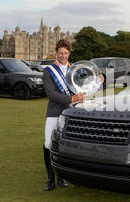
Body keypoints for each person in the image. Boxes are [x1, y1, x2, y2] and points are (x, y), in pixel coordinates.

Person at [42, 39, 104, 191]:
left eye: (65, 53)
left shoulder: (75, 69)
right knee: (49, 144)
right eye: (60, 53)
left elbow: (86, 89)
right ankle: (50, 179)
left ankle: (62, 177)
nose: (63, 55)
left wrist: (99, 81)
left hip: (71, 112)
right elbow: (51, 94)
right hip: (55, 111)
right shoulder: (48, 70)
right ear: (56, 53)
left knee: (65, 145)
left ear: (69, 53)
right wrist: (71, 98)